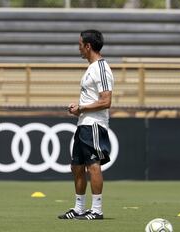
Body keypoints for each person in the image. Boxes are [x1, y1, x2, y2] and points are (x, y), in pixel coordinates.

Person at [58, 29, 114, 220]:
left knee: (93, 165)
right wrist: (79, 108)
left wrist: (81, 108)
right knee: (76, 167)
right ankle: (79, 208)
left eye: (80, 44)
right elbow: (93, 98)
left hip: (95, 125)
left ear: (88, 46)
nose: (79, 47)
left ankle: (97, 210)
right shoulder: (91, 68)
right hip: (84, 124)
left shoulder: (101, 68)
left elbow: (106, 101)